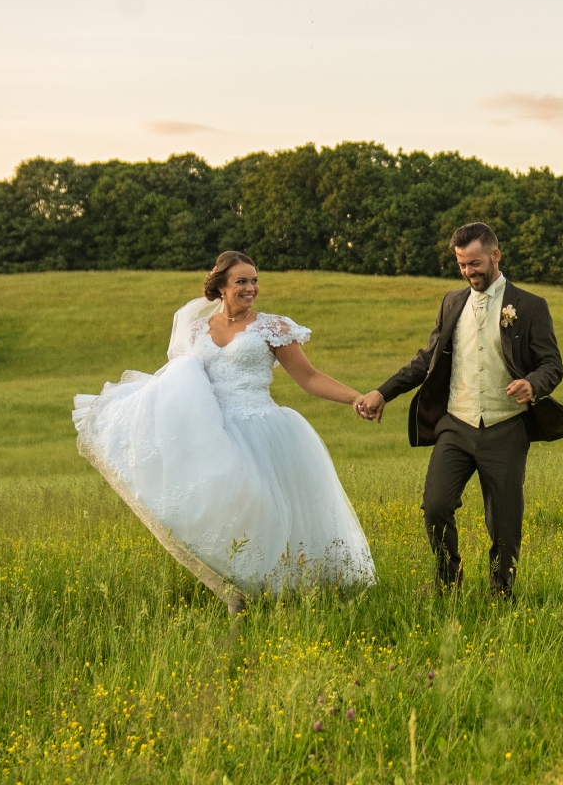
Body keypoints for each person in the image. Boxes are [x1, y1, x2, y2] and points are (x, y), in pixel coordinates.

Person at [73, 251, 375, 614]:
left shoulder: (272, 328)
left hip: (265, 430)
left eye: (255, 280)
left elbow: (309, 378)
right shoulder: (197, 330)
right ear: (221, 286)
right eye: (242, 281)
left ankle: (290, 594)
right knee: (223, 511)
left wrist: (355, 397)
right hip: (215, 433)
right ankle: (239, 592)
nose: (252, 288)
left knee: (267, 509)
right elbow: (179, 382)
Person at [355, 223, 563, 598]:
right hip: (455, 425)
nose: (468, 272)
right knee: (435, 507)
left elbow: (552, 365)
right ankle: (448, 583)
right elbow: (426, 359)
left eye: (474, 263)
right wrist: (383, 392)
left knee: (504, 523)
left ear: (495, 255)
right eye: (461, 265)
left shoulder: (530, 306)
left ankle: (501, 592)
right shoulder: (451, 302)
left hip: (506, 427)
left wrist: (532, 385)